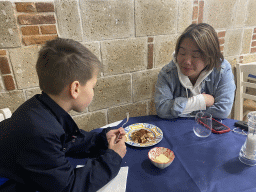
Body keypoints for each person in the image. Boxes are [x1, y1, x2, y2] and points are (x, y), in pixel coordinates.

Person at [0, 38, 127, 192]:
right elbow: (69, 187)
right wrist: (114, 156)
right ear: (75, 89)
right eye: (93, 86)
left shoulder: (41, 108)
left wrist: (101, 139)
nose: (93, 92)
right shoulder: (39, 132)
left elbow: (68, 140)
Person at [155, 23, 236, 119]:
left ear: (209, 56)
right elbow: (162, 109)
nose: (187, 61)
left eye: (195, 55)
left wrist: (179, 109)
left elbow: (223, 111)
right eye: (182, 53)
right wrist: (201, 101)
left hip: (207, 130)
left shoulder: (222, 69)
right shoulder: (167, 73)